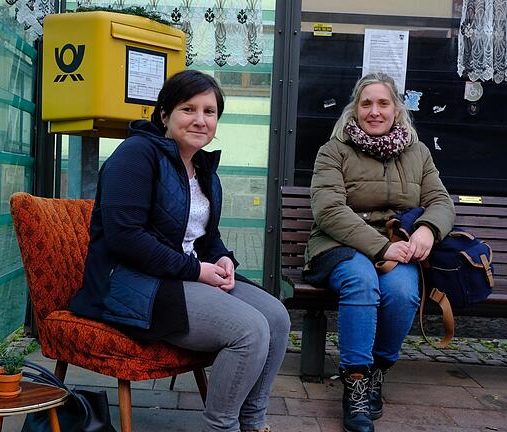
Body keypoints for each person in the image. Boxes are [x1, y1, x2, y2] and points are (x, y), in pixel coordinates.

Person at [69, 69, 290, 432]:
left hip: (180, 275)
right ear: (164, 115)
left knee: (277, 318)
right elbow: (126, 237)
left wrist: (221, 259)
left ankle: (254, 421)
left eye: (210, 111)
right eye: (189, 109)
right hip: (128, 284)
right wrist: (196, 270)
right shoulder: (136, 155)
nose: (200, 120)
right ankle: (221, 427)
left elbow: (206, 237)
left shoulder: (203, 168)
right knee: (249, 330)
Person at [302, 72, 455, 432]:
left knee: (402, 292)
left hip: (398, 245)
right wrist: (382, 247)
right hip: (339, 245)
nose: (374, 111)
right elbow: (328, 210)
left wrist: (427, 229)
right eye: (366, 103)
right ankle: (355, 381)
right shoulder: (334, 151)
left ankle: (376, 372)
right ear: (354, 109)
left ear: (397, 109)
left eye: (383, 103)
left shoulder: (418, 153)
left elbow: (441, 201)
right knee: (361, 279)